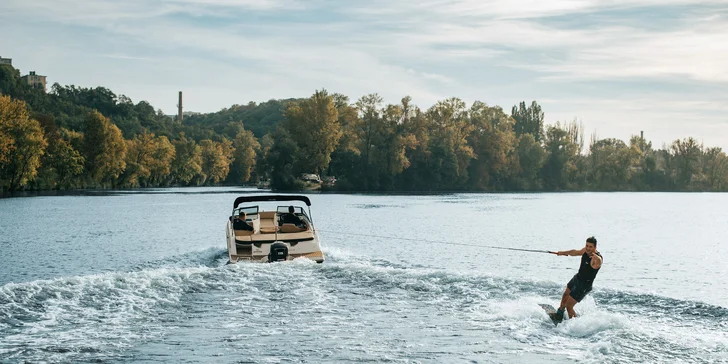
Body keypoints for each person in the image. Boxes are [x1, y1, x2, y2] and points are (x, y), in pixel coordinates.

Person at [550, 236, 602, 319]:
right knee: (565, 295)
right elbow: (574, 252)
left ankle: (573, 324)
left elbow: (599, 262)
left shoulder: (595, 259)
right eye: (587, 246)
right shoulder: (585, 251)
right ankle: (559, 314)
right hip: (577, 278)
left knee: (569, 306)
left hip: (584, 285)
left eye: (590, 247)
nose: (588, 248)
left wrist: (598, 258)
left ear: (595, 247)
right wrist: (562, 252)